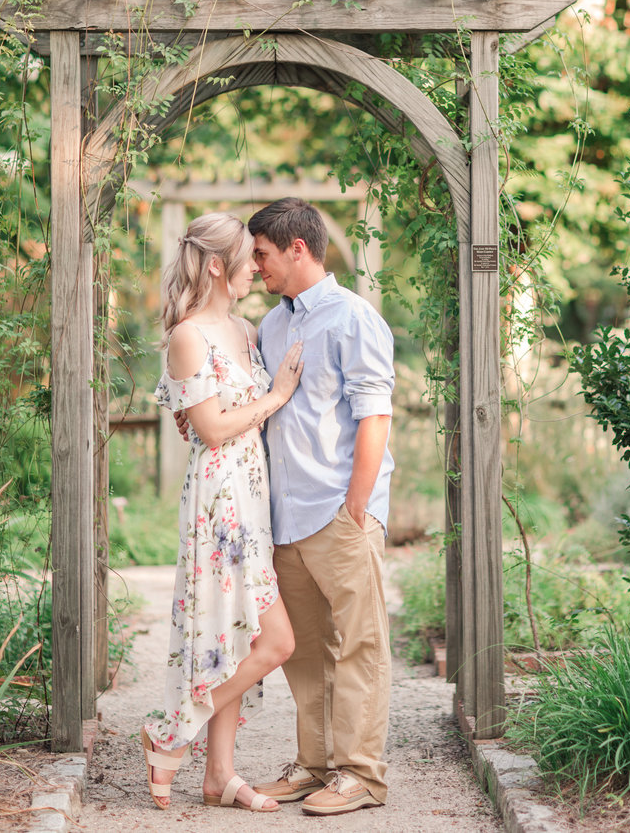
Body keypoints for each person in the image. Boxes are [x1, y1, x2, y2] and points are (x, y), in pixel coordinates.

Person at [142, 211, 304, 813]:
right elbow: (208, 429)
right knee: (276, 641)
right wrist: (277, 396)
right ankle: (171, 731)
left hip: (252, 499)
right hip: (219, 503)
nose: (256, 269)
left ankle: (219, 775)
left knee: (235, 638)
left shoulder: (244, 329)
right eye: (247, 258)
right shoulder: (189, 336)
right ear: (216, 265)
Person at [248, 197, 395, 817]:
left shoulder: (353, 318)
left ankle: (361, 775)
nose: (256, 265)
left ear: (297, 248)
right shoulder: (270, 326)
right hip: (287, 518)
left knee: (360, 645)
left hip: (339, 512)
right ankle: (315, 766)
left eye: (262, 254)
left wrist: (356, 505)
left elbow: (375, 415)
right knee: (306, 653)